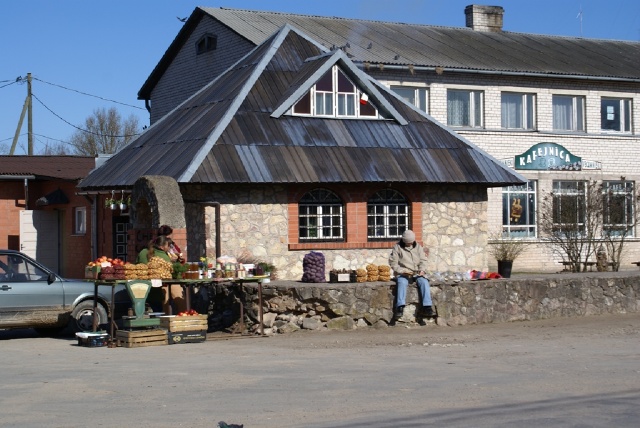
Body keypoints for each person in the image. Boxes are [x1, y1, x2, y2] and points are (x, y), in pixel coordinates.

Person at [389, 229, 435, 319]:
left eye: (411, 242)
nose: (410, 244)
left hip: (416, 272)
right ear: (404, 241)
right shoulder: (397, 247)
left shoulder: (418, 247)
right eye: (408, 242)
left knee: (424, 282)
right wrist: (402, 271)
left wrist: (422, 270)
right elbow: (393, 263)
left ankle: (427, 307)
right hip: (403, 273)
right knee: (402, 282)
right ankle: (400, 307)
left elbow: (423, 260)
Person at [137, 235, 187, 315]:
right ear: (162, 247)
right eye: (168, 246)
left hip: (141, 287)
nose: (169, 248)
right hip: (158, 289)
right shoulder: (164, 256)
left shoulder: (143, 252)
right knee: (174, 291)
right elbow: (172, 273)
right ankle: (183, 314)